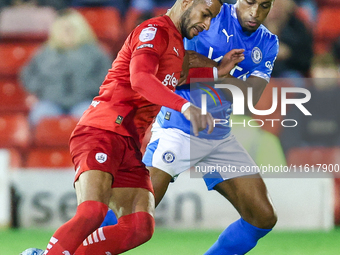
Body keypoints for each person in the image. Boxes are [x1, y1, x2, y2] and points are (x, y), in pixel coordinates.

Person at [20, 0, 223, 254]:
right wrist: (184, 107)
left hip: (129, 142)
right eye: (205, 15)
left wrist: (223, 69)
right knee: (92, 212)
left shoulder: (177, 46)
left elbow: (179, 78)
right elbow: (140, 79)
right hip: (102, 129)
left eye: (212, 19)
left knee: (140, 225)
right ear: (186, 3)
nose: (207, 24)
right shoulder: (154, 31)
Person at [141, 0, 279, 254]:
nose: (255, 12)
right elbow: (177, 74)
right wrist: (224, 74)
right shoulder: (210, 14)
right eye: (250, 3)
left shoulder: (268, 43)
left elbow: (248, 100)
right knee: (134, 216)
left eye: (264, 6)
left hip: (218, 136)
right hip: (178, 128)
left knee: (262, 217)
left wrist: (208, 67)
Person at [20, 9, 112, 126]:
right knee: (39, 115)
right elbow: (28, 75)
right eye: (62, 29)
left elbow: (107, 78)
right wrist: (40, 90)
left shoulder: (96, 52)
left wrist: (90, 89)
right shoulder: (44, 52)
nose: (67, 32)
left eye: (71, 28)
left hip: (85, 101)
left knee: (90, 118)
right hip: (50, 101)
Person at [280, 53, 340, 155]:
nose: (324, 74)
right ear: (312, 72)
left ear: (337, 72)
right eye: (320, 69)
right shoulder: (301, 98)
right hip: (305, 156)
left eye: (329, 69)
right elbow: (290, 132)